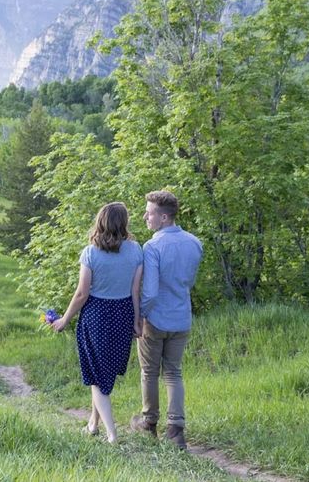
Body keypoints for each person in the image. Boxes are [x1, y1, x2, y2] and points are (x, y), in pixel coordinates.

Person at [50, 202, 143, 443]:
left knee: (97, 377)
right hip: (122, 314)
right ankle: (93, 424)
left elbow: (82, 293)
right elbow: (135, 291)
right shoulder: (135, 250)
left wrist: (64, 320)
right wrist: (136, 321)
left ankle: (112, 434)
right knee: (103, 373)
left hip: (97, 316)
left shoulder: (90, 253)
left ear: (101, 221)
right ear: (124, 223)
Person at [130, 190, 202, 450]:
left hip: (156, 319)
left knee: (149, 372)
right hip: (181, 317)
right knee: (173, 373)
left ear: (163, 217)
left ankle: (149, 424)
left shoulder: (152, 246)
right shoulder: (194, 243)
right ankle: (175, 430)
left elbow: (148, 291)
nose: (144, 217)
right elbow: (189, 282)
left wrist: (140, 317)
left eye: (148, 213)